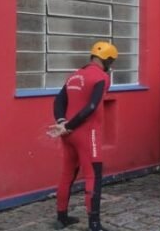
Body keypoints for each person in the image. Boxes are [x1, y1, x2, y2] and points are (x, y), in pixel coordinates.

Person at [49, 41, 117, 231]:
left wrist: (63, 123)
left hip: (68, 134)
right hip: (87, 133)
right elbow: (92, 106)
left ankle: (61, 217)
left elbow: (58, 100)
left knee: (67, 174)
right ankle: (94, 224)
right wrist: (70, 126)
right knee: (93, 176)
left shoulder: (74, 76)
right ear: (108, 60)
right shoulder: (101, 77)